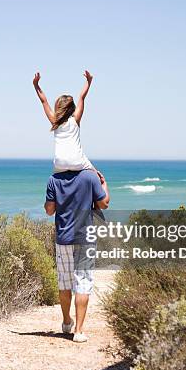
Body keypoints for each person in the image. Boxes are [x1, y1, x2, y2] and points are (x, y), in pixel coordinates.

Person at [44, 168, 110, 343]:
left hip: (63, 238)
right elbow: (103, 203)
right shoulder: (90, 176)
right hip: (85, 237)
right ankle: (79, 332)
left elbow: (49, 210)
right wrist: (104, 184)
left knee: (64, 282)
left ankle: (66, 322)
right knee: (83, 282)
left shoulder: (54, 179)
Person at [33, 71, 95, 173]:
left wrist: (36, 85)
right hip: (77, 161)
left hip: (60, 163)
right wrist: (89, 81)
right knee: (99, 178)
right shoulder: (75, 120)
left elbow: (44, 101)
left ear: (58, 107)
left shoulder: (55, 122)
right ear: (72, 108)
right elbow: (82, 97)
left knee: (55, 181)